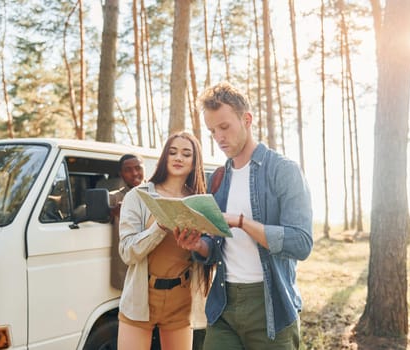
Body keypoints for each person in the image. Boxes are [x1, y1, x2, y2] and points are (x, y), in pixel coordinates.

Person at [175, 82, 313, 350]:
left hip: (271, 306)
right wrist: (199, 245)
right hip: (224, 303)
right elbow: (216, 248)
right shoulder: (218, 179)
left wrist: (242, 222)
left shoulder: (283, 171)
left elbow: (301, 243)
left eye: (224, 127)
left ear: (246, 119)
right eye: (212, 131)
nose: (219, 137)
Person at [117, 131, 209, 350]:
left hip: (182, 298)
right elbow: (127, 252)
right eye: (173, 152)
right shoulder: (139, 196)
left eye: (186, 154)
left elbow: (211, 251)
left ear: (194, 161)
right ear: (164, 157)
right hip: (142, 296)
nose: (179, 158)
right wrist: (160, 225)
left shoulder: (199, 201)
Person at [106, 154, 146, 291]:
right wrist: (110, 212)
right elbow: (82, 211)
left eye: (138, 168)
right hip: (129, 265)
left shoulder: (157, 193)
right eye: (128, 170)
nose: (134, 173)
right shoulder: (114, 198)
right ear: (121, 174)